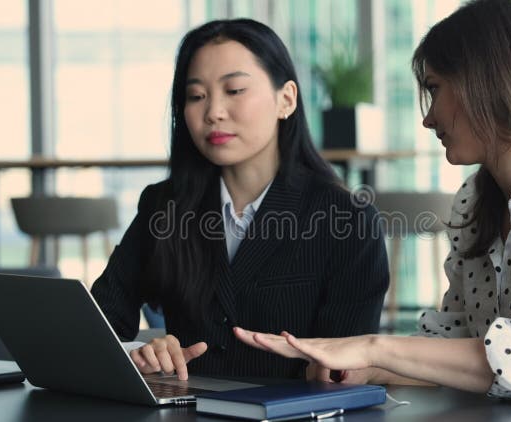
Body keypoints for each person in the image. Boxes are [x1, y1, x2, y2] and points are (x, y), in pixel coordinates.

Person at [234, 0, 511, 405]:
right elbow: (461, 332)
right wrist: (369, 367)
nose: (427, 117)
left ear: (488, 80)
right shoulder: (474, 201)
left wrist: (373, 345)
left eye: (435, 87)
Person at [91, 18, 389, 381]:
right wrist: (141, 354)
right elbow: (97, 325)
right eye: (196, 96)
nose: (213, 111)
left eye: (234, 91)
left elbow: (344, 371)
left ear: (286, 99)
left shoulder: (348, 219)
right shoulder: (163, 206)